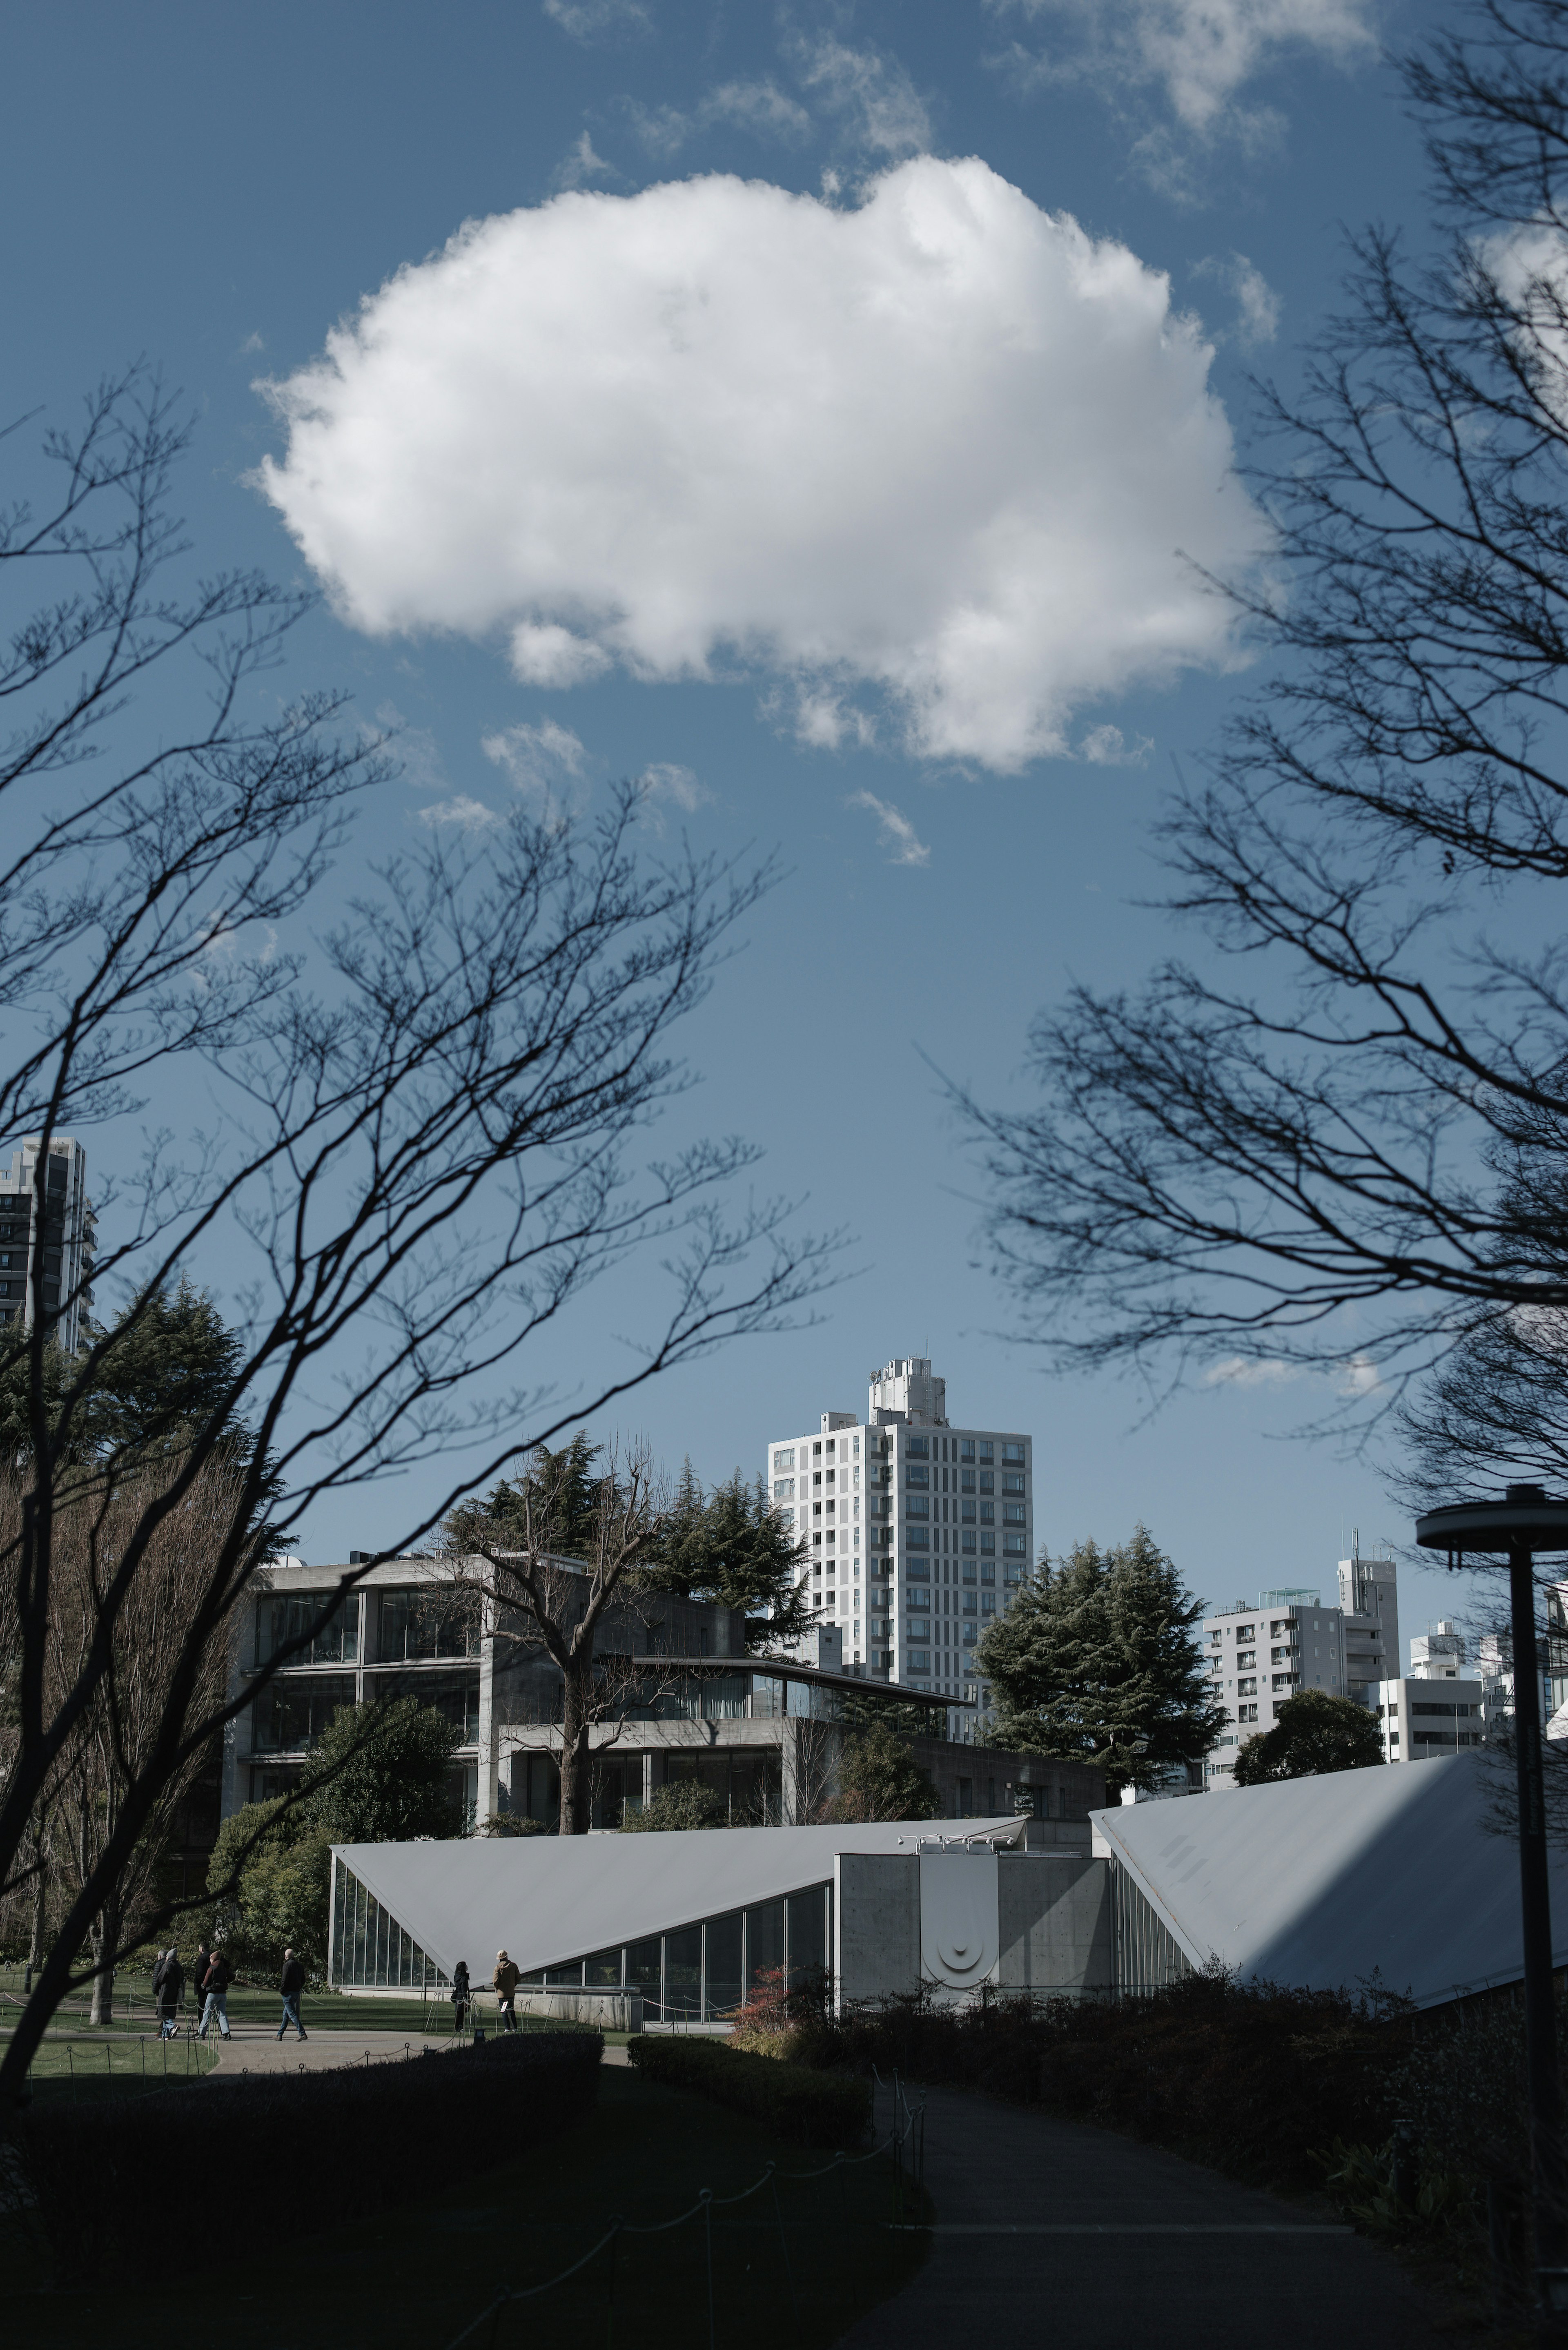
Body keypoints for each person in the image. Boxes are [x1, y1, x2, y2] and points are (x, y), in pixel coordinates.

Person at [196, 1945, 233, 2040]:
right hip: (223, 1994)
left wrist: (205, 1986)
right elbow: (232, 1976)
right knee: (222, 2014)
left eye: (211, 1959)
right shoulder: (223, 1968)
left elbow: (205, 1982)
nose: (210, 1961)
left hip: (213, 1994)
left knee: (207, 2013)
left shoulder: (211, 1968)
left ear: (213, 1959)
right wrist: (225, 1982)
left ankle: (202, 2033)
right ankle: (226, 2033)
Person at [276, 1946, 307, 2042]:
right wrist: (298, 1987)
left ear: (286, 1956)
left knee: (292, 2014)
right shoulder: (300, 1966)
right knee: (286, 2014)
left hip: (288, 1993)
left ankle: (302, 2033)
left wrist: (282, 1990)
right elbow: (303, 1980)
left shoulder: (287, 1965)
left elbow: (284, 1979)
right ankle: (280, 2035)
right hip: (296, 1993)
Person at [153, 1946, 184, 2038]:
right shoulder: (179, 1966)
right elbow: (182, 1979)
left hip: (165, 1992)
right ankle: (165, 2035)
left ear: (168, 1957)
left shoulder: (167, 1965)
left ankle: (172, 2026)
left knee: (164, 2013)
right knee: (169, 2012)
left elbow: (160, 1979)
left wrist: (156, 1989)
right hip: (174, 1992)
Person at [492, 1949, 520, 2031]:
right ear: (507, 1957)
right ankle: (515, 2028)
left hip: (502, 1994)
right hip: (511, 1993)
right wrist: (512, 1986)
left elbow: (495, 1981)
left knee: (504, 2010)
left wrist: (498, 1988)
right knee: (511, 2010)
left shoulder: (497, 1968)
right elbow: (518, 1978)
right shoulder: (514, 1966)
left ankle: (507, 2028)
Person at [450, 1959, 470, 2036]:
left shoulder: (457, 1976)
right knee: (461, 2013)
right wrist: (465, 1999)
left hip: (459, 1995)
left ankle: (459, 2026)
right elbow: (464, 1989)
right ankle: (459, 2026)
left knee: (460, 2013)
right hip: (462, 1996)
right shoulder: (463, 1978)